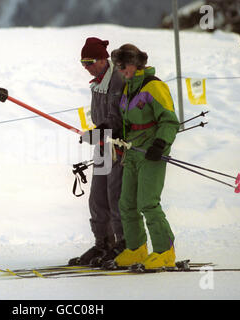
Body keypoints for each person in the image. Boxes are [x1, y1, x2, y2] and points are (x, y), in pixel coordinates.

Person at [104, 44, 180, 270]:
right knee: (126, 203)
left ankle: (165, 251)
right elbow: (129, 120)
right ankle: (137, 248)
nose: (121, 70)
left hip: (151, 151)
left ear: (137, 64)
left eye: (123, 65)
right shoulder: (129, 88)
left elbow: (169, 120)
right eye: (118, 66)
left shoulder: (154, 87)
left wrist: (160, 143)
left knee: (148, 203)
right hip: (133, 151)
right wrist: (119, 134)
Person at [68, 37, 126, 267]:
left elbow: (118, 118)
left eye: (89, 61)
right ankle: (103, 243)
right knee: (97, 197)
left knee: (115, 195)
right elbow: (101, 119)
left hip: (117, 147)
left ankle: (123, 242)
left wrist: (100, 132)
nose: (86, 67)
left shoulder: (118, 80)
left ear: (103, 59)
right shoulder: (97, 83)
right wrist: (95, 134)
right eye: (83, 62)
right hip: (102, 147)